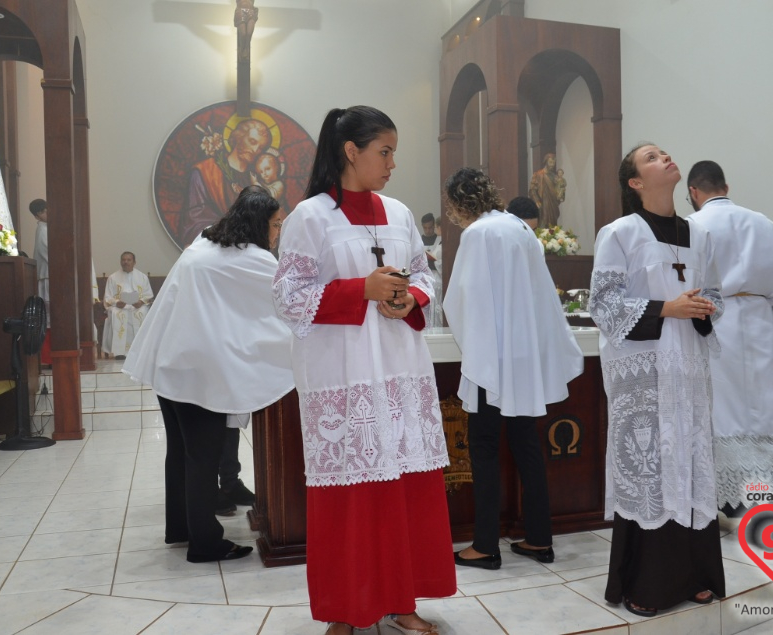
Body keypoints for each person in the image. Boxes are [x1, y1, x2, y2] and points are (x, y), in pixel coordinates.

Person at [272, 106, 454, 635]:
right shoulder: (310, 217)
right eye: (385, 151)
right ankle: (344, 610)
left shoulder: (398, 213)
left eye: (394, 151)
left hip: (399, 372)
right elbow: (287, 296)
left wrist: (409, 296)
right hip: (343, 377)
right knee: (348, 501)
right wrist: (362, 290)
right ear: (351, 151)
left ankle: (402, 602)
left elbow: (424, 273)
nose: (393, 162)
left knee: (403, 492)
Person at [590, 143, 725, 617]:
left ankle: (695, 575)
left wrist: (707, 306)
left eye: (665, 152)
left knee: (688, 461)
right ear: (635, 182)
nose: (664, 157)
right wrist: (667, 308)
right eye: (651, 157)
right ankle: (645, 582)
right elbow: (602, 305)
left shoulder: (699, 233)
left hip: (687, 368)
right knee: (649, 465)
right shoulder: (620, 233)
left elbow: (713, 293)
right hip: (644, 372)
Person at [122, 188, 293, 563]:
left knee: (181, 454)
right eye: (276, 224)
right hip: (197, 372)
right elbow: (288, 302)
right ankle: (205, 544)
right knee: (203, 457)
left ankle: (182, 528)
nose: (278, 232)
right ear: (259, 222)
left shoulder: (205, 243)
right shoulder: (251, 258)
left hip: (172, 366)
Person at [442, 168, 584, 571]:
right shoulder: (520, 230)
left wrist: (473, 344)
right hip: (524, 360)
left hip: (493, 359)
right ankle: (539, 539)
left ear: (457, 204)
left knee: (484, 449)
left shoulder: (477, 234)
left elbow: (463, 300)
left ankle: (485, 546)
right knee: (527, 448)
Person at [686, 160, 773, 518]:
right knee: (772, 407)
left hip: (716, 320)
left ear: (693, 193)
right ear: (726, 187)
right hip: (762, 321)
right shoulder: (764, 223)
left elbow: (690, 282)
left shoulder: (692, 225)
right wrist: (765, 310)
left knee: (726, 410)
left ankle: (733, 500)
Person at [181, 118, 274, 246]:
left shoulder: (257, 179)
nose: (255, 150)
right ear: (238, 137)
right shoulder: (205, 171)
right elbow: (194, 221)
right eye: (252, 142)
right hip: (213, 251)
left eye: (260, 148)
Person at [103, 252, 154, 358]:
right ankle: (120, 352)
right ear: (120, 262)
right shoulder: (112, 277)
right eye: (123, 260)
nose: (126, 262)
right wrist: (117, 302)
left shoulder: (142, 277)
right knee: (117, 314)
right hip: (120, 307)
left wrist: (141, 302)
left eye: (128, 260)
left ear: (134, 262)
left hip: (137, 306)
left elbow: (148, 295)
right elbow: (108, 297)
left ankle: (140, 350)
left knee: (142, 312)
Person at [29, 199, 52, 364]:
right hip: (48, 278)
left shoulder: (46, 228)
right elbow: (49, 254)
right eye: (44, 211)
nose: (47, 213)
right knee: (49, 317)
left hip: (50, 276)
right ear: (37, 215)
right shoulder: (43, 230)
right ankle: (47, 357)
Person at [528, 153, 566, 229]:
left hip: (553, 204)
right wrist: (536, 200)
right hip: (543, 202)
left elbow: (559, 190)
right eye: (550, 162)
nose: (552, 165)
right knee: (543, 220)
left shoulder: (555, 176)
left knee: (552, 222)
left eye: (554, 163)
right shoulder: (538, 174)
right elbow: (532, 189)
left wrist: (561, 193)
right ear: (546, 162)